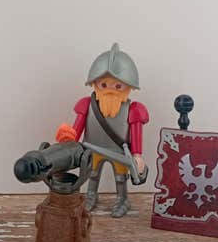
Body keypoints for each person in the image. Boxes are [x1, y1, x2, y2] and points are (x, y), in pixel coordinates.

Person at [55, 43, 149, 218]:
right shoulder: (87, 105)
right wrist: (69, 139)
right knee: (92, 174)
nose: (110, 90)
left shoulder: (133, 109)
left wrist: (137, 155)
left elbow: (136, 132)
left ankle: (122, 199)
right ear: (95, 83)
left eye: (118, 86)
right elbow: (76, 130)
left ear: (128, 86)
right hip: (92, 148)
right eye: (104, 85)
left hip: (118, 152)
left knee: (120, 177)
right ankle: (91, 195)